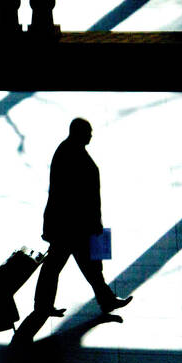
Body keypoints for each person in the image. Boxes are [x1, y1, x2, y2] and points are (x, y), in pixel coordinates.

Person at [33, 118, 132, 318]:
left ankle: (45, 305)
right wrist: (94, 222)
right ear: (79, 132)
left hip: (72, 224)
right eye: (88, 132)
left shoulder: (70, 150)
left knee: (74, 267)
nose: (91, 135)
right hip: (73, 225)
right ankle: (105, 301)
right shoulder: (71, 153)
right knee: (77, 266)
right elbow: (71, 194)